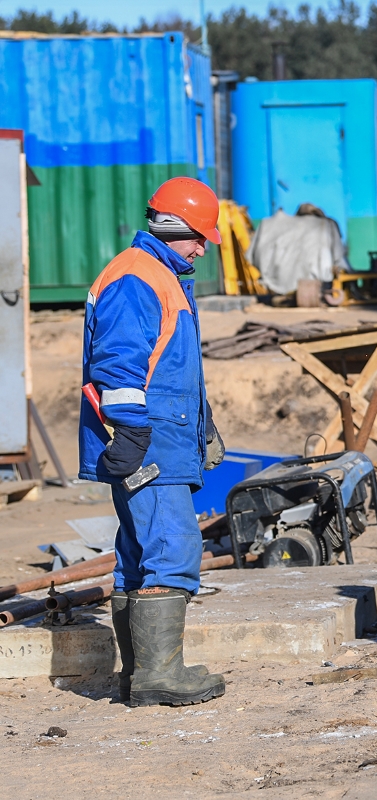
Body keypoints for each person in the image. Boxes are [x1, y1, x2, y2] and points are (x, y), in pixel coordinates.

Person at [79, 177, 227, 707]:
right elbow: (118, 362)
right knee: (170, 548)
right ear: (175, 227)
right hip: (150, 440)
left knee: (139, 553)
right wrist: (136, 430)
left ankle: (140, 673)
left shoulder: (156, 275)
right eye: (199, 236)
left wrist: (201, 427)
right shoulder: (139, 278)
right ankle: (159, 676)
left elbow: (169, 367)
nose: (203, 246)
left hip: (161, 435)